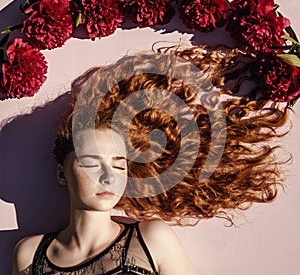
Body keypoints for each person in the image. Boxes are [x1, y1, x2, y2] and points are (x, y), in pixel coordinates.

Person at [12, 49, 289, 274]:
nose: (109, 176)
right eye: (91, 163)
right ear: (62, 173)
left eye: (119, 164)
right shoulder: (29, 255)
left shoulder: (150, 239)